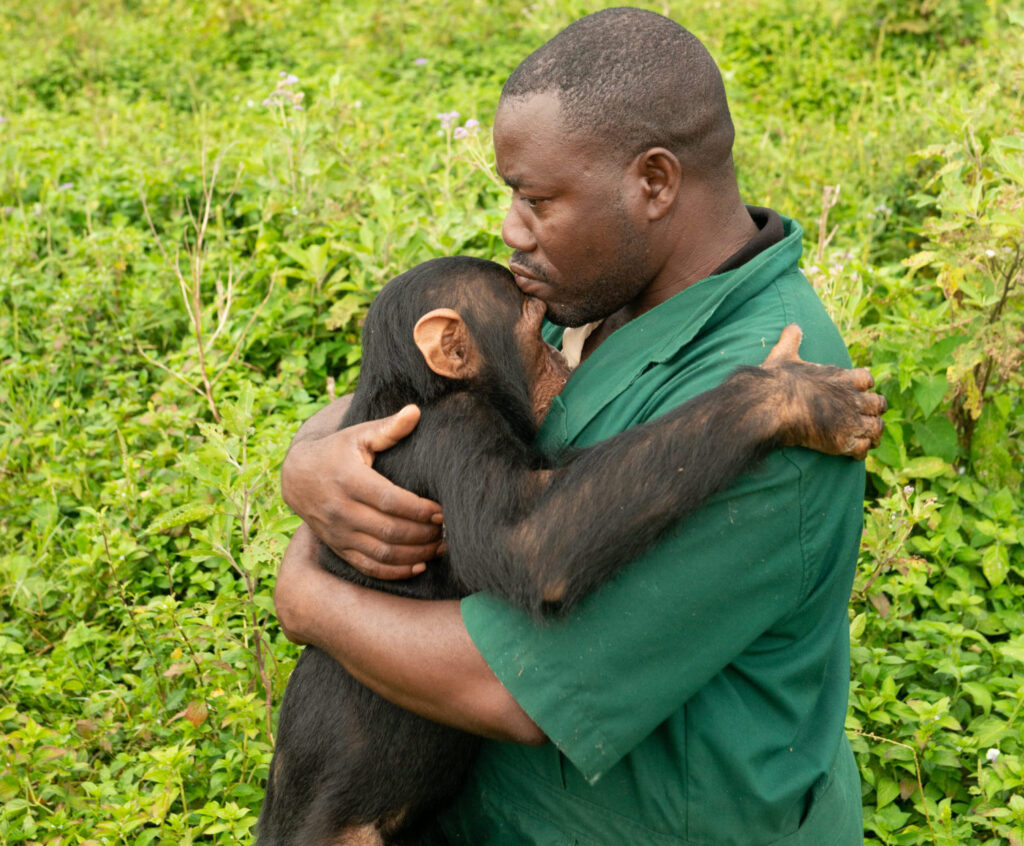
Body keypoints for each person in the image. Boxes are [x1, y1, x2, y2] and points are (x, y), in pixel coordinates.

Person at [274, 8, 865, 844]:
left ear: (653, 184)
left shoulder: (776, 402)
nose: (512, 229)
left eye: (536, 198)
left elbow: (505, 684)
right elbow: (421, 395)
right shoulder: (588, 285)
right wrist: (310, 463)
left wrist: (307, 596)